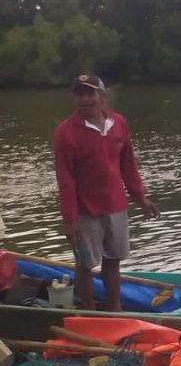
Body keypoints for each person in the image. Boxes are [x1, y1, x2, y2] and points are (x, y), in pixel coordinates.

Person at [53, 74, 160, 311]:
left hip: (116, 205)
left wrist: (140, 197)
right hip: (85, 210)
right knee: (85, 264)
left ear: (102, 96)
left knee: (113, 260)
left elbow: (128, 165)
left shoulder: (118, 123)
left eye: (90, 93)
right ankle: (89, 310)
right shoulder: (65, 132)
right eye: (80, 95)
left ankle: (115, 308)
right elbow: (65, 178)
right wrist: (70, 218)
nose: (85, 99)